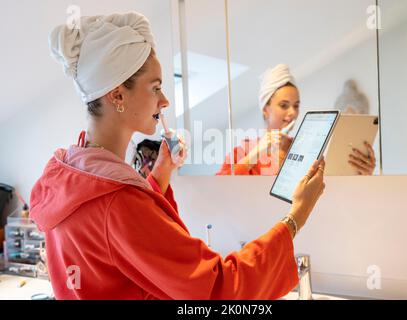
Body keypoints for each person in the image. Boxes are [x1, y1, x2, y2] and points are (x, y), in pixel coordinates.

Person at [30, 12, 326, 300]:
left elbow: (114, 240)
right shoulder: (117, 201)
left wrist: (159, 176)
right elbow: (218, 288)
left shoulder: (69, 176)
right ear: (117, 95)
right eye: (156, 87)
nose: (165, 100)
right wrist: (296, 217)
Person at [216, 65, 376, 176]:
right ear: (265, 109)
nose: (292, 112)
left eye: (296, 105)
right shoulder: (244, 150)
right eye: (284, 105)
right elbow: (218, 188)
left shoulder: (311, 148)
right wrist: (255, 154)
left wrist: (362, 174)